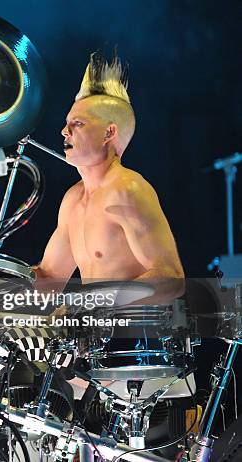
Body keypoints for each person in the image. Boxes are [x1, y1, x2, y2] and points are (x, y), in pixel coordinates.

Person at [32, 53, 185, 306]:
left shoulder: (128, 189)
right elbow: (49, 280)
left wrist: (95, 302)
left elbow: (171, 279)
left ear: (109, 132)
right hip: (92, 340)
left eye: (77, 123)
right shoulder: (72, 199)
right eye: (66, 123)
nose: (64, 131)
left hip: (131, 339)